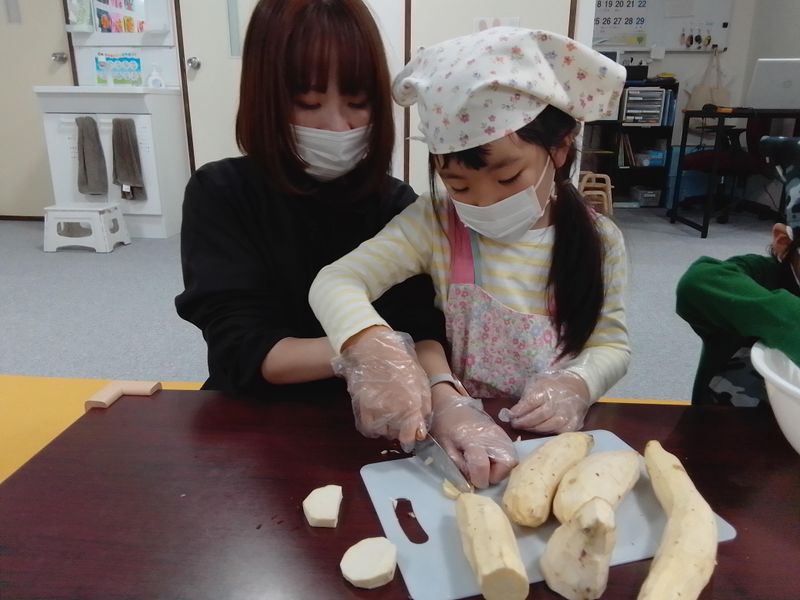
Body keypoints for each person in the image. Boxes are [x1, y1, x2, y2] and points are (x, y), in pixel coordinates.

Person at [309, 28, 631, 481]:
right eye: (458, 185)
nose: (483, 201)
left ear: (560, 149)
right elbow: (335, 281)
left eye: (507, 178)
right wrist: (369, 344)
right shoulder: (435, 222)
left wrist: (578, 384)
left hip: (558, 440)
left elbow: (611, 344)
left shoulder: (600, 240)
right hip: (462, 437)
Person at [175, 0, 447, 400]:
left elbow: (422, 327)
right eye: (308, 104)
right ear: (265, 98)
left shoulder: (397, 205)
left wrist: (445, 391)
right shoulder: (220, 193)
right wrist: (358, 346)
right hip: (253, 409)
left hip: (376, 408)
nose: (336, 126)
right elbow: (242, 346)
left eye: (357, 103)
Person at [677, 178, 800, 405]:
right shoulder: (759, 276)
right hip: (731, 419)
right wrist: (790, 320)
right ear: (783, 242)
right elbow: (695, 282)